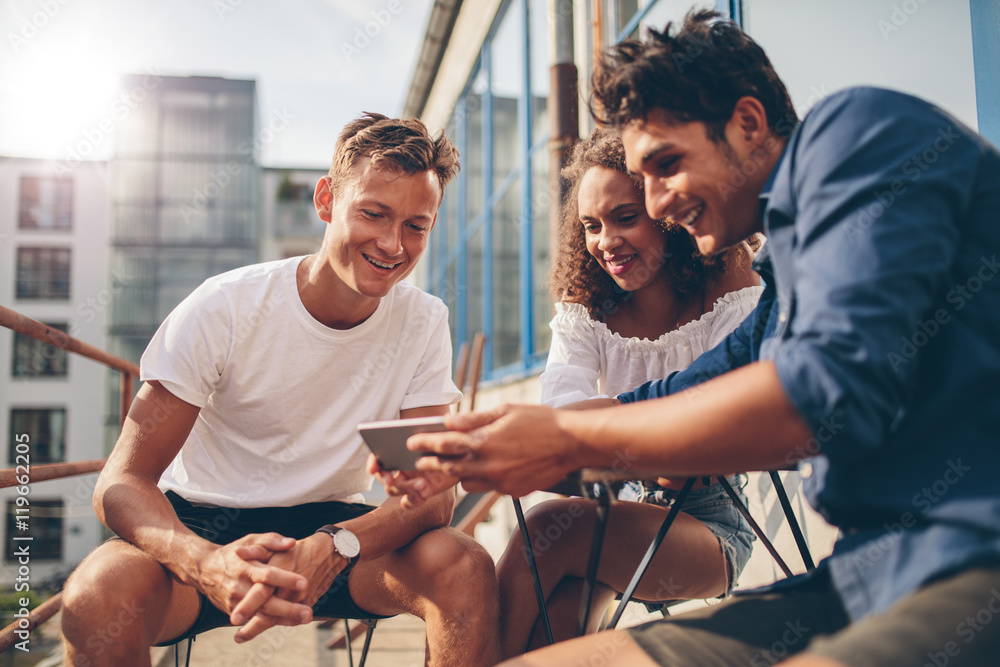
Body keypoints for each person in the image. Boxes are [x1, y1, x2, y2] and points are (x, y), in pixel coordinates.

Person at [390, 10, 1000, 667]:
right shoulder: (783, 275)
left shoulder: (858, 135)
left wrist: (564, 440)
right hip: (863, 576)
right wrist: (493, 438)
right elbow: (676, 390)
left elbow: (825, 392)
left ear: (747, 122)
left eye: (666, 165)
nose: (654, 204)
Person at [60, 113, 500, 667]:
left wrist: (337, 544)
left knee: (463, 566)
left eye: (417, 225)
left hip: (338, 537)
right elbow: (122, 482)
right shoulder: (225, 305)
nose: (393, 244)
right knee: (95, 594)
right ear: (325, 200)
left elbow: (432, 494)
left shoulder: (422, 320)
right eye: (373, 213)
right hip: (204, 528)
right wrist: (204, 562)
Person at [496, 128, 761, 657]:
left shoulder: (726, 281)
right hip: (620, 509)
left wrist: (601, 438)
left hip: (712, 522)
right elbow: (563, 416)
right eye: (591, 226)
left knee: (546, 530)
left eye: (625, 217)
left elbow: (721, 433)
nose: (604, 242)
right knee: (560, 623)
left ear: (668, 212)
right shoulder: (588, 304)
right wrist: (635, 444)